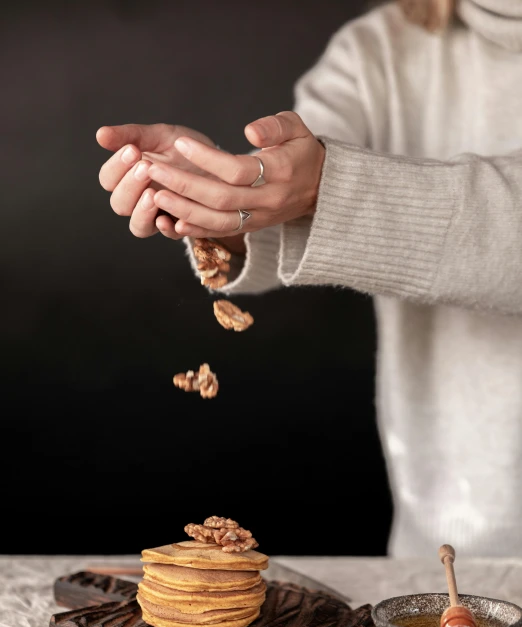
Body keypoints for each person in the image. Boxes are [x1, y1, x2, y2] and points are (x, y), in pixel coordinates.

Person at [96, 0, 522, 558]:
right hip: (442, 551)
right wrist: (219, 202)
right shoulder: (379, 49)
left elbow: (327, 186)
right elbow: (294, 185)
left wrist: (333, 189)